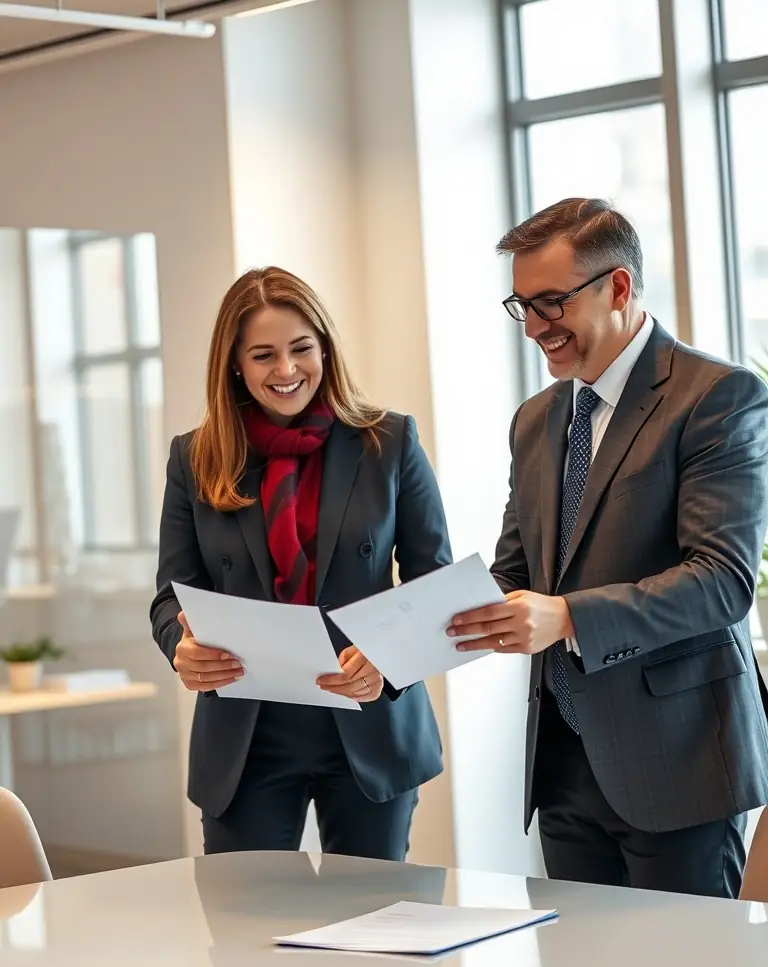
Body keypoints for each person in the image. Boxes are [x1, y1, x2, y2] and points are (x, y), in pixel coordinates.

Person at [448, 198, 768, 897]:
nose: (534, 327)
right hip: (563, 763)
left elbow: (721, 581)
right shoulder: (537, 419)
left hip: (679, 766)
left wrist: (566, 618)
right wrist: (402, 640)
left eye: (552, 302)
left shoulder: (717, 397)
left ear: (618, 288)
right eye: (522, 305)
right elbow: (514, 574)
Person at [150, 267, 451, 861]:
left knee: (376, 936)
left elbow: (435, 585)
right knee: (244, 933)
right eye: (263, 355)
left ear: (325, 348)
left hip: (369, 719)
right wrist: (179, 649)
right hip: (247, 735)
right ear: (234, 363)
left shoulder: (388, 442)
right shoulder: (197, 457)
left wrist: (388, 660)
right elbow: (172, 596)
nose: (286, 371)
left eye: (301, 349)